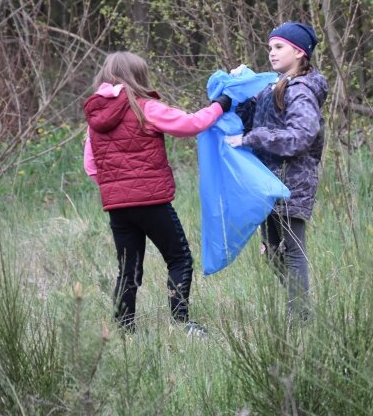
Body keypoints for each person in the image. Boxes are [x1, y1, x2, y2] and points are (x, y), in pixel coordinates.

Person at [83, 51, 231, 336]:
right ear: (138, 76)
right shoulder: (145, 107)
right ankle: (180, 323)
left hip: (117, 206)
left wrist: (115, 187)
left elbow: (90, 165)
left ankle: (124, 330)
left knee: (128, 269)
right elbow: (191, 125)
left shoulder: (95, 117)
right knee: (179, 258)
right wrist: (219, 106)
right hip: (152, 202)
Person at [226, 22, 328, 321]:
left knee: (292, 251)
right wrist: (239, 87)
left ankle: (300, 318)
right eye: (270, 47)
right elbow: (247, 118)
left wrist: (253, 138)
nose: (272, 53)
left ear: (299, 52)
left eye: (279, 47)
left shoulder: (303, 89)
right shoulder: (274, 86)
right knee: (271, 252)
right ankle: (299, 308)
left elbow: (301, 136)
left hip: (293, 181)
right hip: (267, 180)